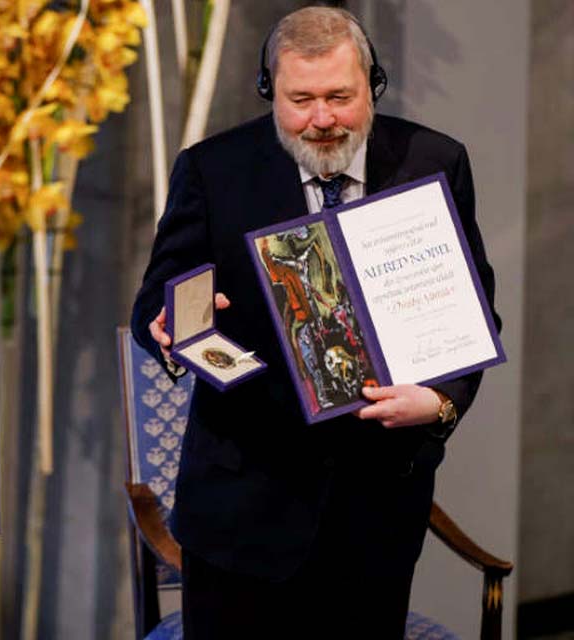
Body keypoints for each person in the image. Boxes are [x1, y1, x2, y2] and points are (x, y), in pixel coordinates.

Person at [131, 7, 499, 639]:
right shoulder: (213, 170)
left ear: (372, 86)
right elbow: (152, 308)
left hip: (377, 511)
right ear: (270, 90)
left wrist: (439, 402)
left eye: (340, 97)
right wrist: (170, 326)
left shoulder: (435, 160)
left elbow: (472, 314)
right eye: (301, 100)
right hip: (240, 514)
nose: (323, 119)